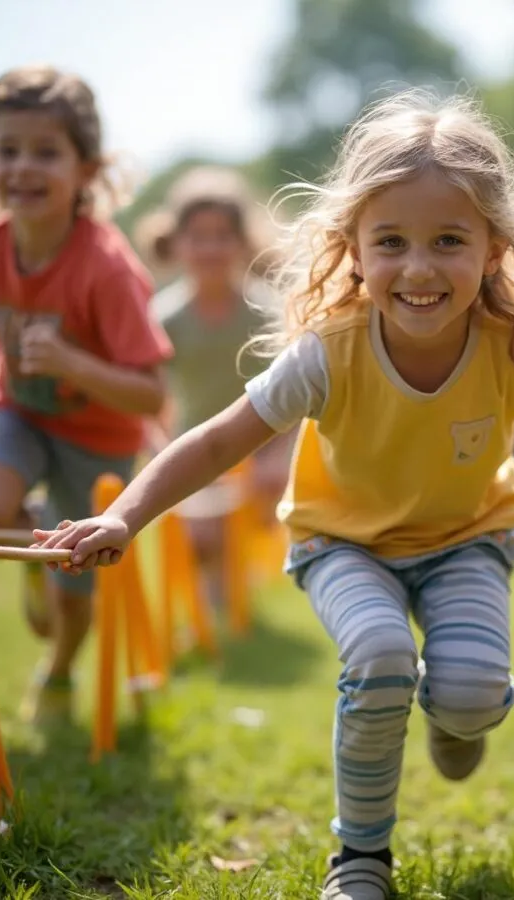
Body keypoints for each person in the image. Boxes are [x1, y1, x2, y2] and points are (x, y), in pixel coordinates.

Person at [35, 89, 514, 899]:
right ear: (356, 251)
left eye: (449, 240)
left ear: (493, 247)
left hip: (469, 539)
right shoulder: (327, 353)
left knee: (469, 696)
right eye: (391, 242)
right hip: (344, 544)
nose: (420, 267)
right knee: (378, 656)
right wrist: (124, 515)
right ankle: (361, 858)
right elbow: (220, 439)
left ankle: (458, 716)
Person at [0, 65, 172, 724]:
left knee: (71, 599)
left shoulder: (107, 269)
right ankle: (30, 544)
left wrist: (74, 364)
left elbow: (147, 394)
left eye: (45, 152)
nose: (23, 166)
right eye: (7, 149)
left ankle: (58, 670)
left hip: (99, 442)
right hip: (15, 413)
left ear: (88, 169)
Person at [138, 166, 293, 606]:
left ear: (243, 242)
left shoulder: (268, 312)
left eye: (222, 235)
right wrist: (157, 451)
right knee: (202, 539)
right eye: (197, 236)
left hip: (261, 446)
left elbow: (301, 391)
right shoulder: (165, 317)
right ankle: (217, 616)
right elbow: (148, 401)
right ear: (176, 242)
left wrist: (279, 456)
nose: (210, 248)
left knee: (239, 531)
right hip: (193, 447)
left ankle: (231, 599)